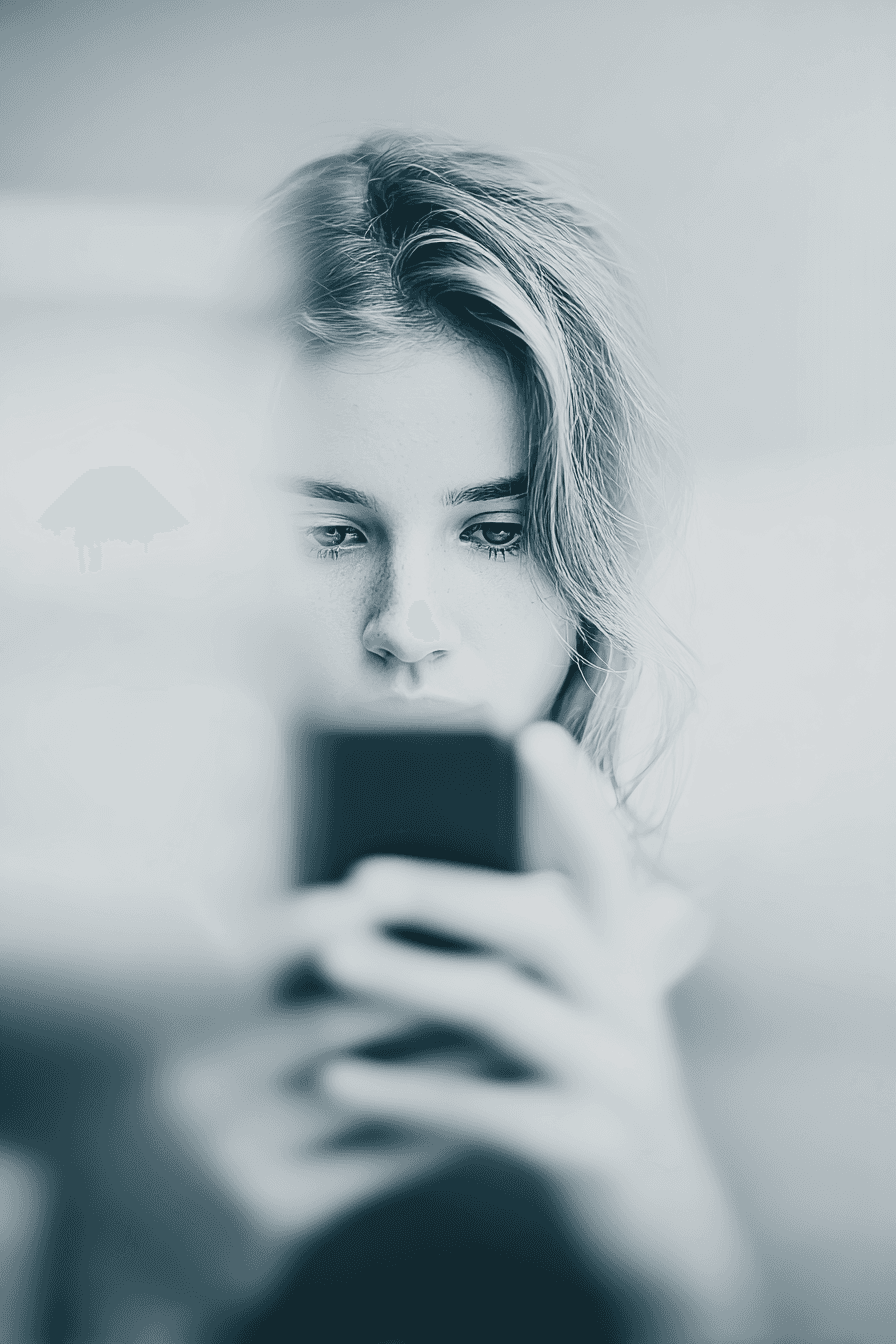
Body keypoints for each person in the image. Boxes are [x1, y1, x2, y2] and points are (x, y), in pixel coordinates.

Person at [160, 133, 765, 1344]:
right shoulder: (80, 1011)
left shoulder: (757, 1017)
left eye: (493, 533)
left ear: (584, 554)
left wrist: (676, 1253)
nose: (407, 627)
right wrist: (128, 1292)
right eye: (330, 536)